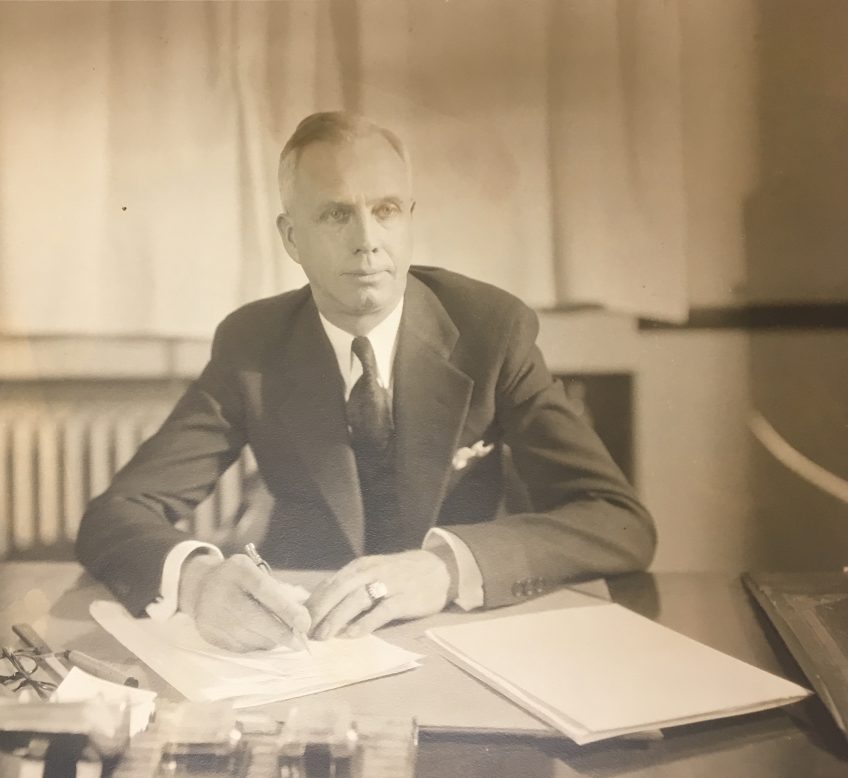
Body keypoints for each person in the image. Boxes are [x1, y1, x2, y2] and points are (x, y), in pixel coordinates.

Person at [76, 112, 656, 652]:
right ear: (291, 238)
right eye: (335, 214)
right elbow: (117, 512)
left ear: (409, 219)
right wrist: (201, 581)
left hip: (460, 634)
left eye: (386, 210)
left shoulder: (490, 331)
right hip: (304, 636)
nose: (367, 240)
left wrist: (446, 567)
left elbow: (619, 519)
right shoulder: (252, 345)